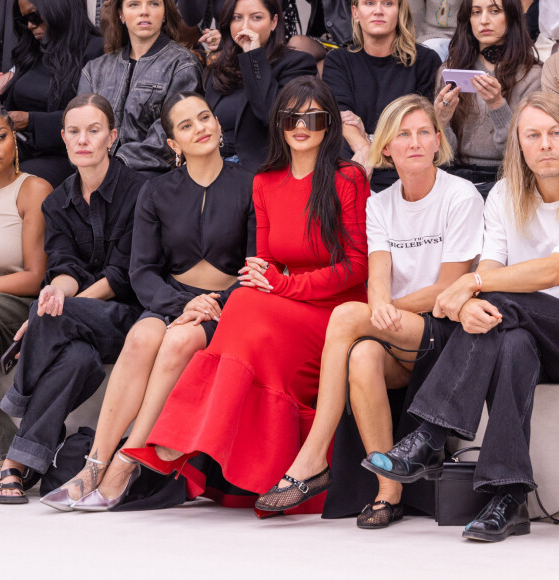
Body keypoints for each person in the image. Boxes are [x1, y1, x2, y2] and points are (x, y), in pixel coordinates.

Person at [121, 76, 369, 515]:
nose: (301, 126)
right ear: (279, 122)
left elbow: (356, 267)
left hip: (333, 312)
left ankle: (182, 441)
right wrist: (273, 281)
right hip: (286, 304)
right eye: (292, 116)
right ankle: (199, 446)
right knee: (244, 300)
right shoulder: (266, 182)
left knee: (247, 301)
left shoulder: (347, 178)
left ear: (328, 125)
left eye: (313, 117)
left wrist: (285, 284)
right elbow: (266, 263)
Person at [256, 94, 484, 523]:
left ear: (438, 141)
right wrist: (378, 307)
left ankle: (312, 458)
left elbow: (448, 287)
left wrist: (380, 311)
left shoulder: (462, 195)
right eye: (402, 134)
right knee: (361, 355)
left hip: (446, 330)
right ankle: (388, 490)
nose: (414, 142)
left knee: (346, 315)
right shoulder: (379, 203)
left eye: (422, 133)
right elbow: (376, 275)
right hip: (397, 331)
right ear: (385, 148)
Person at [39, 92, 256, 512]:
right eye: (187, 125)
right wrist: (180, 305)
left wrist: (214, 303)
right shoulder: (156, 191)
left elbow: (255, 266)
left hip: (228, 304)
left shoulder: (250, 185)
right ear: (174, 143)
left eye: (205, 117)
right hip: (172, 299)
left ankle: (128, 460)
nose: (202, 128)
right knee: (141, 339)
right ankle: (94, 462)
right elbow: (141, 271)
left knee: (176, 343)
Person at [361, 90, 559, 542]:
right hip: (530, 335)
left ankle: (429, 434)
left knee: (500, 306)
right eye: (534, 134)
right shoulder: (507, 194)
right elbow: (490, 267)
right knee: (508, 340)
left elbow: (552, 269)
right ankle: (507, 497)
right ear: (520, 145)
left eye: (555, 132)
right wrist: (472, 298)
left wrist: (469, 288)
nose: (546, 143)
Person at [0, 94, 145, 504]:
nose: (83, 140)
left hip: (127, 317)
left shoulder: (140, 191)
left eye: (93, 131)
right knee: (75, 360)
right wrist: (57, 294)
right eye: (74, 132)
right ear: (62, 137)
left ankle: (18, 399)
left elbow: (123, 274)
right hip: (80, 331)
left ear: (112, 136)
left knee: (47, 314)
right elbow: (66, 268)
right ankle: (17, 467)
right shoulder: (57, 200)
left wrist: (56, 312)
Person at [0, 102, 51, 490]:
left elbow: (34, 278)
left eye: (0, 137)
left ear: (14, 141)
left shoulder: (32, 189)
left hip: (13, 300)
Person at [322, 0, 442, 192]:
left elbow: (419, 125)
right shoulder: (338, 61)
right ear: (355, 12)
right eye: (369, 3)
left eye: (387, 3)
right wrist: (363, 147)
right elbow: (340, 115)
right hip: (356, 163)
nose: (378, 11)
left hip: (406, 165)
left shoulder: (425, 61)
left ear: (399, 11)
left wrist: (368, 138)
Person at [78, 0, 202, 177]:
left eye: (153, 4)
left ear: (165, 13)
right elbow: (80, 127)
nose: (144, 12)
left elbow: (171, 132)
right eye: (134, 4)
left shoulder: (182, 64)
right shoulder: (94, 70)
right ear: (121, 14)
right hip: (94, 171)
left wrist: (116, 163)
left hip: (153, 174)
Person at [435, 0, 541, 198]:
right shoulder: (449, 69)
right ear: (468, 19)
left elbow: (522, 153)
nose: (484, 20)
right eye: (476, 12)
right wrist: (441, 120)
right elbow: (441, 155)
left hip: (509, 179)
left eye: (494, 11)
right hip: (455, 177)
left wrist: (497, 104)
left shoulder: (532, 74)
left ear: (511, 17)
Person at [0, 0, 104, 188]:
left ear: (58, 9)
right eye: (23, 20)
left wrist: (31, 121)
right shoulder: (33, 49)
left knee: (22, 182)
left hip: (66, 155)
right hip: (21, 145)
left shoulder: (95, 50)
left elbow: (94, 118)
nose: (30, 25)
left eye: (34, 16)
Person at [204, 0, 317, 172]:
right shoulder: (219, 68)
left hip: (258, 171)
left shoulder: (297, 64)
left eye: (256, 18)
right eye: (237, 18)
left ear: (273, 22)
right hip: (212, 166)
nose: (245, 26)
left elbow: (271, 114)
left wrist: (253, 56)